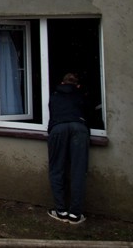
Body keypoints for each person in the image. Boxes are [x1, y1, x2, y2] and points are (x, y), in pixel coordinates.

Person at [47, 72, 90, 224]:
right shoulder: (82, 96)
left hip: (58, 129)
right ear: (77, 85)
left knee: (56, 169)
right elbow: (89, 113)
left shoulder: (54, 95)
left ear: (62, 83)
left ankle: (60, 210)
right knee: (78, 171)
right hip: (79, 128)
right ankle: (75, 214)